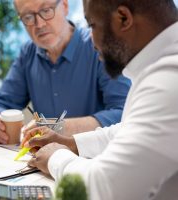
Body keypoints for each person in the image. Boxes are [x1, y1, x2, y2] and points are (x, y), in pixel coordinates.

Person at [22, 0, 178, 199]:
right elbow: (129, 130)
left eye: (92, 25)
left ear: (123, 18)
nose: (93, 43)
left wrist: (55, 157)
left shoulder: (169, 80)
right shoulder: (163, 66)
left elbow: (104, 188)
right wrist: (72, 143)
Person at [0, 0, 131, 144]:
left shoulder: (97, 47)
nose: (39, 23)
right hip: (45, 161)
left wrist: (59, 127)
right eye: (28, 17)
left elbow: (123, 114)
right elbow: (1, 101)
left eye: (46, 10)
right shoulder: (28, 53)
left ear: (64, 6)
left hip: (95, 158)